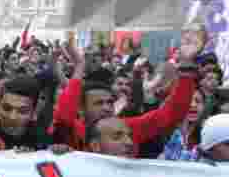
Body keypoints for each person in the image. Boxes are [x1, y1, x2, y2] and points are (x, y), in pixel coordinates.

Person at [52, 34, 201, 153]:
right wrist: (79, 68)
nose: (106, 108)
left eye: (110, 102)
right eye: (98, 103)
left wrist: (187, 66)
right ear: (81, 109)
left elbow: (171, 114)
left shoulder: (126, 127)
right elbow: (64, 117)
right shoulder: (74, 132)